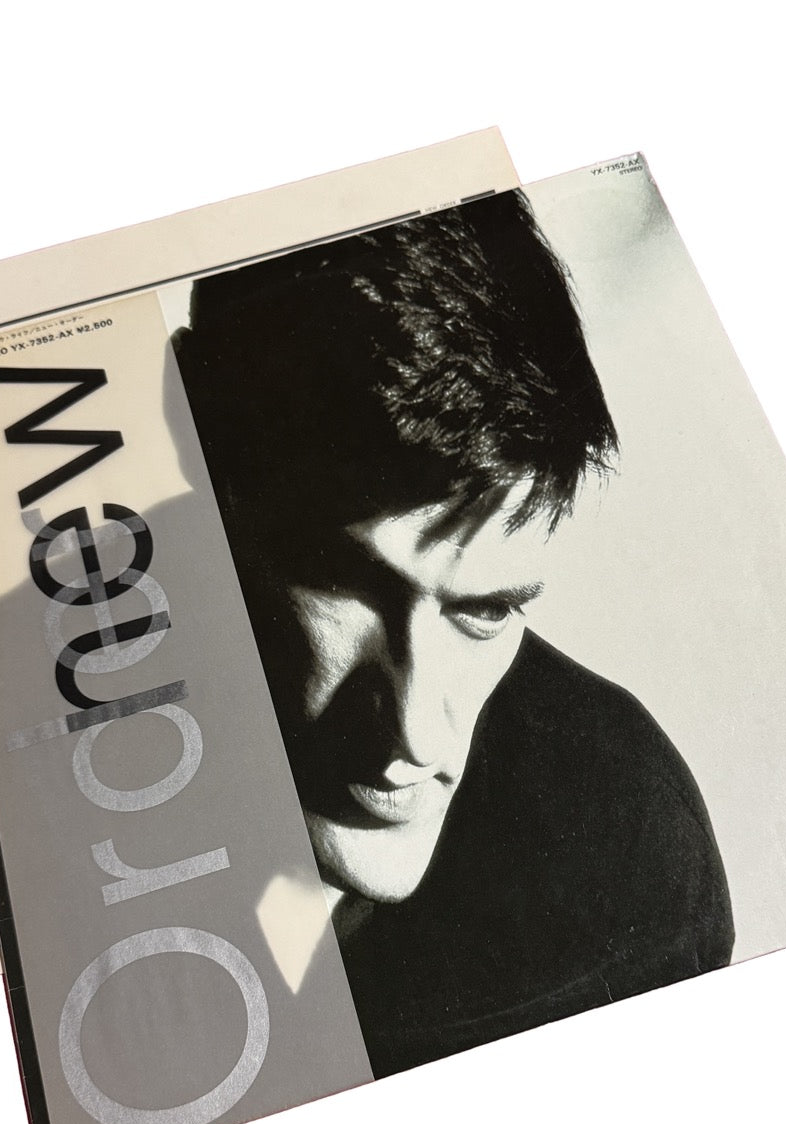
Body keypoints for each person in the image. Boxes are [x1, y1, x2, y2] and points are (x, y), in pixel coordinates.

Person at [172, 191, 734, 1076]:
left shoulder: (626, 851)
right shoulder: (14, 704)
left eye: (486, 611)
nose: (415, 737)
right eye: (344, 585)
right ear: (195, 447)